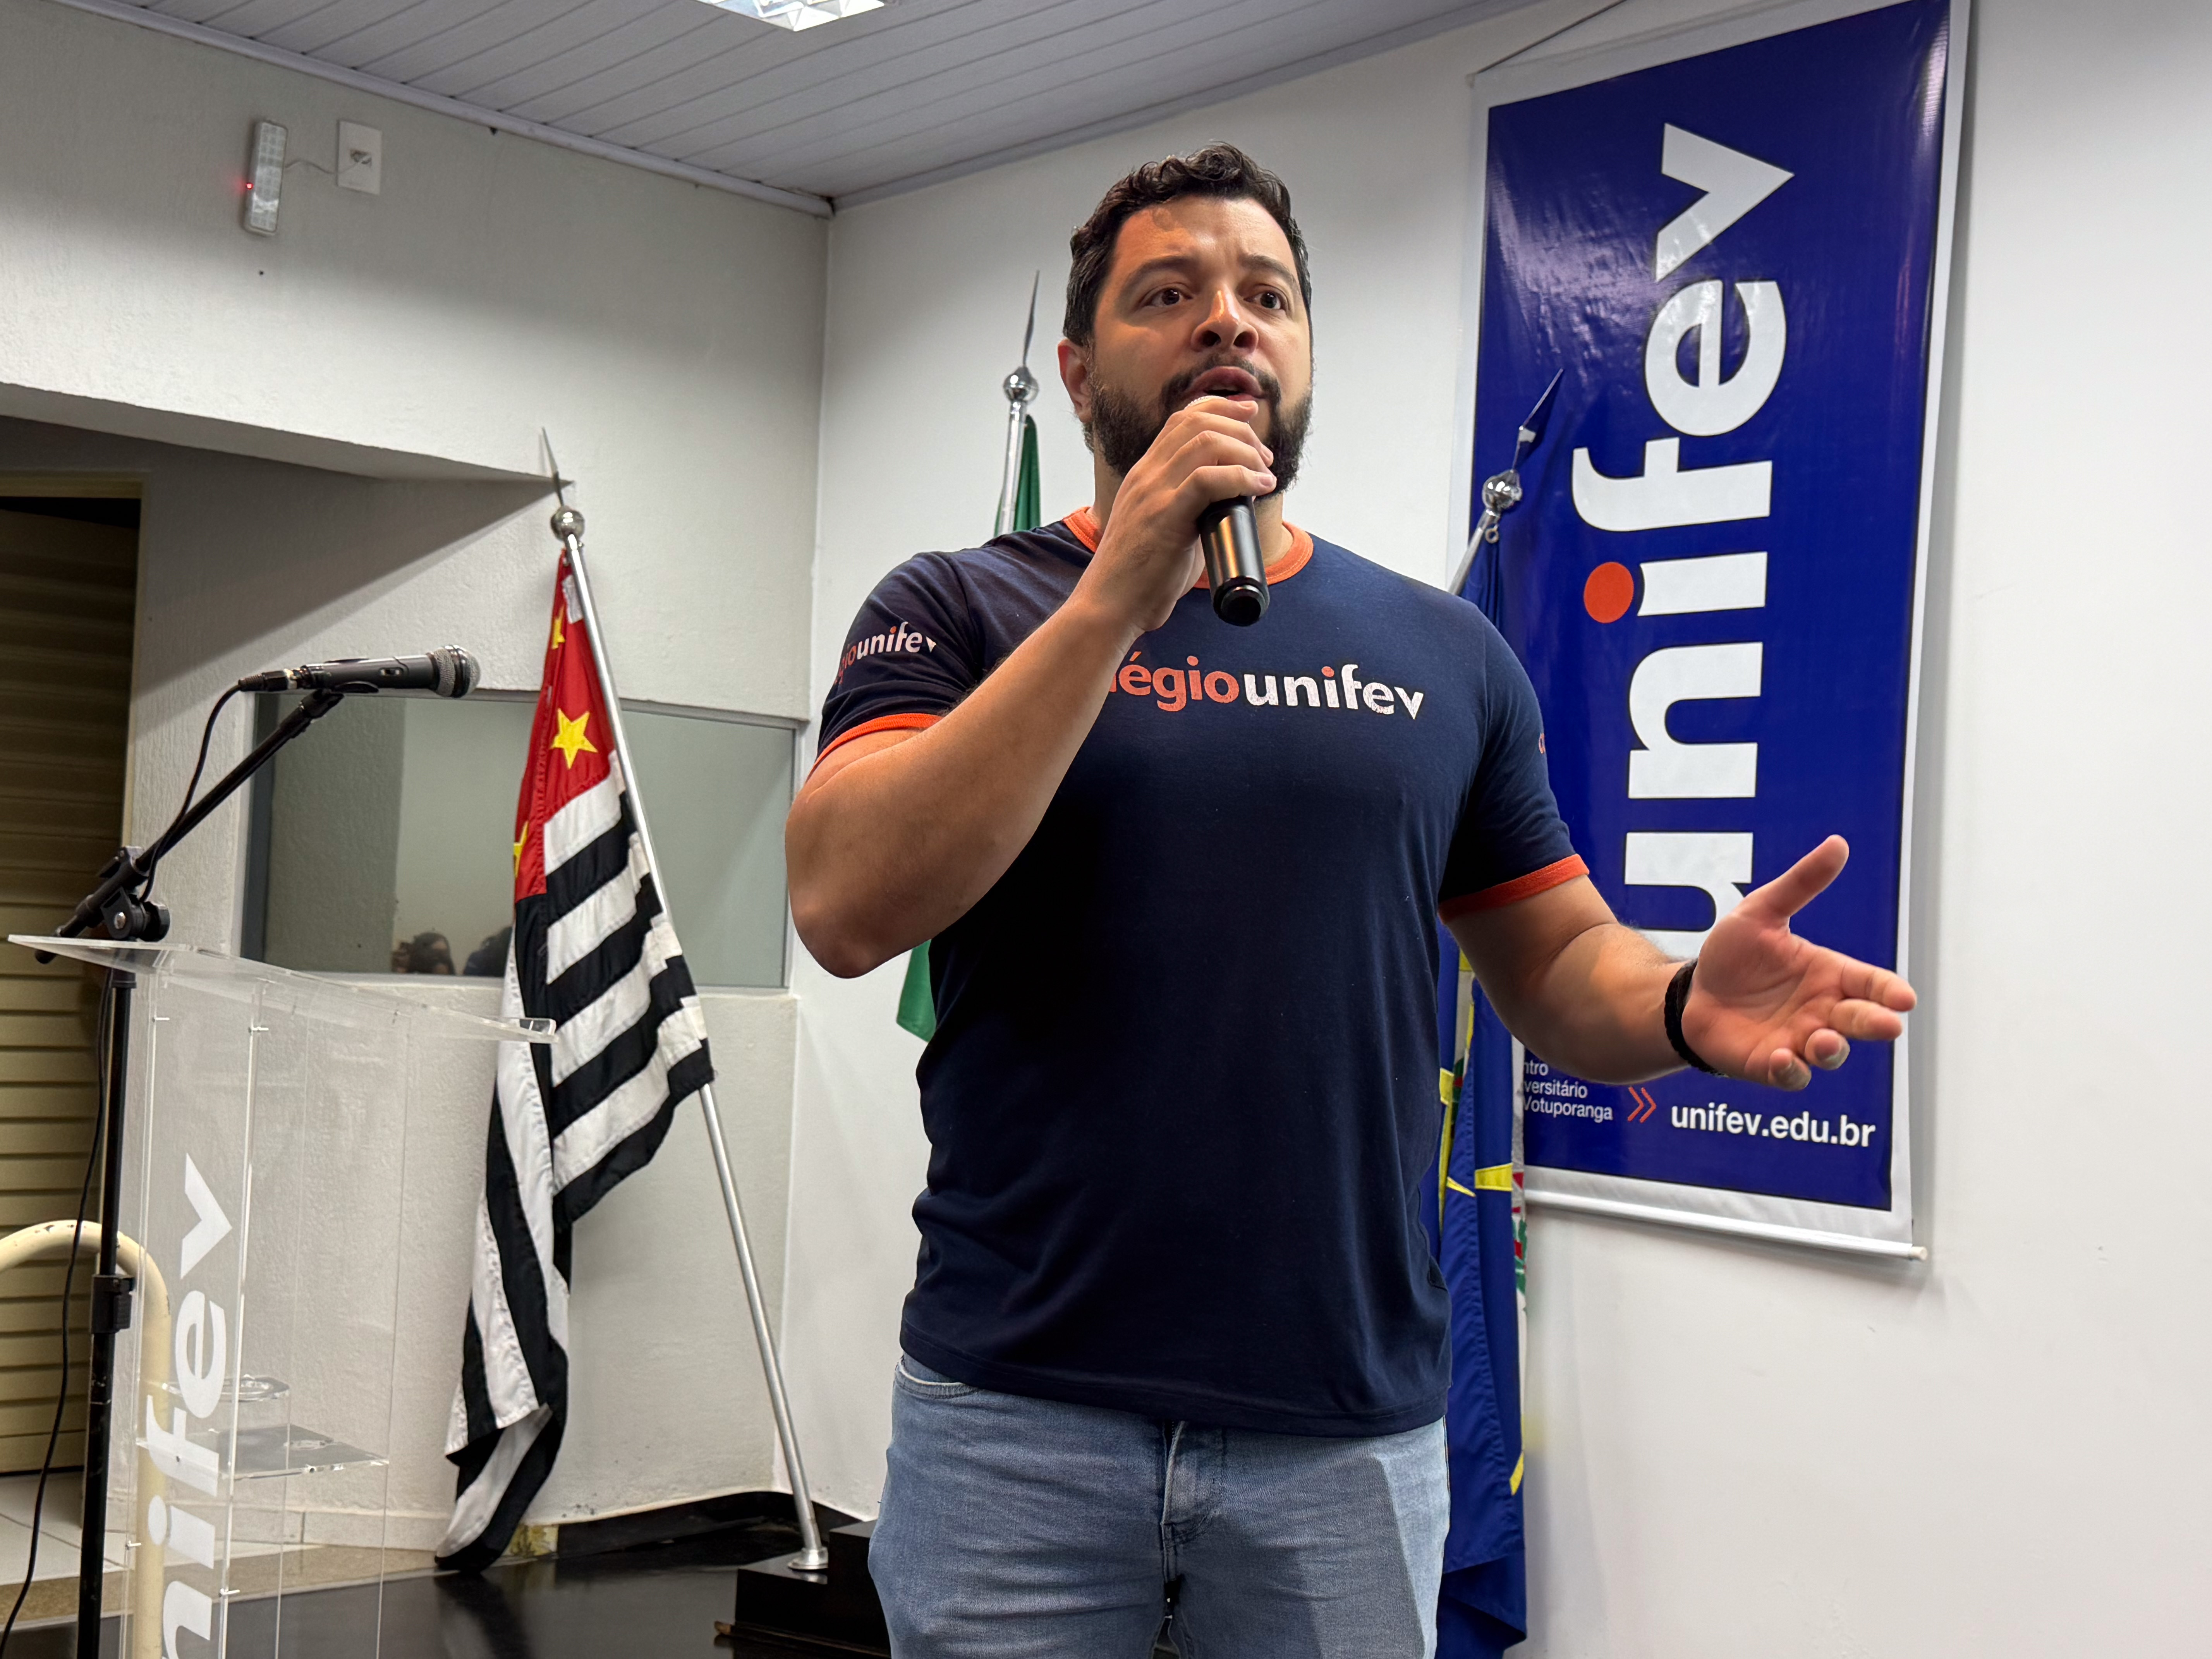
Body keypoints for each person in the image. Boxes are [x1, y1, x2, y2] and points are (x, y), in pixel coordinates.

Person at [785, 144, 1915, 1659]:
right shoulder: (957, 608)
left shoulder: (1442, 654)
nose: (1227, 321)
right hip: (1016, 1424)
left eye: (1268, 297)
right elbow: (847, 900)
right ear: (1078, 368)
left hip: (1342, 1441)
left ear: (1304, 354)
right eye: (1168, 294)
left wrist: (1678, 1003)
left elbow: (1554, 961)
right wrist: (1117, 599)